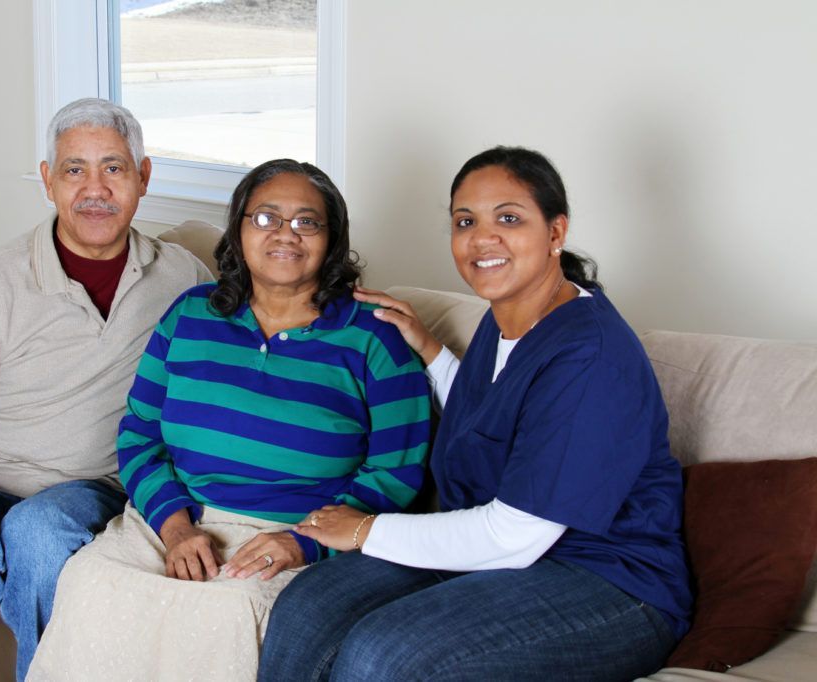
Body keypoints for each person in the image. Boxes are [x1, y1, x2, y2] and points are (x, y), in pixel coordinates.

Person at [258, 147, 693, 681]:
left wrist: (365, 530)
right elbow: (502, 410)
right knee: (311, 605)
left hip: (608, 581)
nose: (483, 238)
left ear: (556, 232)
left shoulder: (590, 353)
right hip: (503, 559)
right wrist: (431, 351)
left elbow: (514, 535)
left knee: (385, 653)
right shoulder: (506, 315)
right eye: (466, 221)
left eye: (508, 218)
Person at [27, 159, 431, 681]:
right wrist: (174, 528)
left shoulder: (375, 337)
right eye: (265, 218)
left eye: (307, 222)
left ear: (332, 240)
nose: (286, 234)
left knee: (224, 612)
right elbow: (139, 436)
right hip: (175, 520)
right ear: (238, 231)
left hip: (293, 534)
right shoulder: (190, 315)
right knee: (91, 578)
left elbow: (396, 473)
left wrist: (303, 541)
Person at [0, 97, 213, 682]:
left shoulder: (183, 277)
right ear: (47, 181)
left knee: (38, 532)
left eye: (113, 167)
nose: (95, 188)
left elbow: (253, 332)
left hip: (91, 486)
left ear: (144, 176)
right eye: (74, 170)